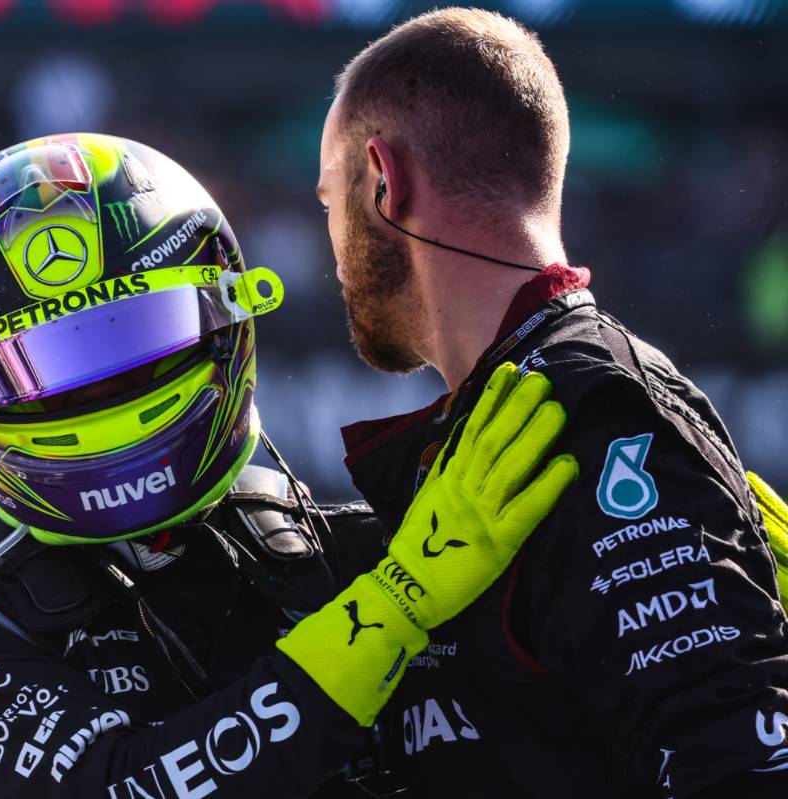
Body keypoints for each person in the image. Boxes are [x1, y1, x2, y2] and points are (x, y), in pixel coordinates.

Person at [0, 132, 580, 798]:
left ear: (227, 316)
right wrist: (390, 613)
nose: (96, 387)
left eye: (140, 336)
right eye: (35, 370)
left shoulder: (347, 551)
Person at [315, 7, 788, 796]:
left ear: (385, 182)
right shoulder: (514, 407)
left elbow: (739, 766)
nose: (329, 242)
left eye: (330, 199)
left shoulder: (593, 410)